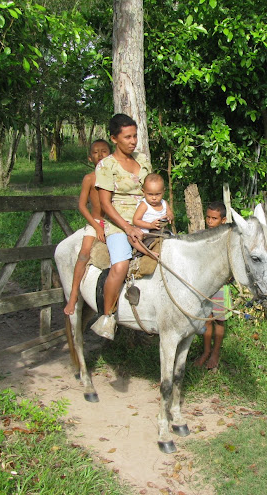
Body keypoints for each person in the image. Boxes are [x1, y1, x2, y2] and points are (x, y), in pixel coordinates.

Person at [91, 114, 152, 339]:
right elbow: (105, 205)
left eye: (135, 135)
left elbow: (151, 188)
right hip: (119, 221)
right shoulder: (106, 166)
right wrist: (127, 228)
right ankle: (107, 316)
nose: (133, 141)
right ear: (114, 138)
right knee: (120, 265)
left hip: (147, 216)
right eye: (127, 137)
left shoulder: (143, 159)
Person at [63, 139, 111, 315]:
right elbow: (83, 206)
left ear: (111, 154)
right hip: (96, 222)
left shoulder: (114, 177)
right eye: (96, 152)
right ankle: (74, 294)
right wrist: (97, 228)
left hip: (113, 223)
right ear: (90, 158)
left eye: (104, 151)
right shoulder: (89, 179)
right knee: (84, 254)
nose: (100, 155)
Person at [194, 201, 231, 369]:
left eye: (214, 218)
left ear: (223, 220)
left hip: (221, 287)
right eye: (208, 217)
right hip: (204, 286)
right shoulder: (201, 236)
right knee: (206, 320)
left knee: (219, 321)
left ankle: (215, 353)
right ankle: (206, 351)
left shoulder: (228, 239)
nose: (210, 221)